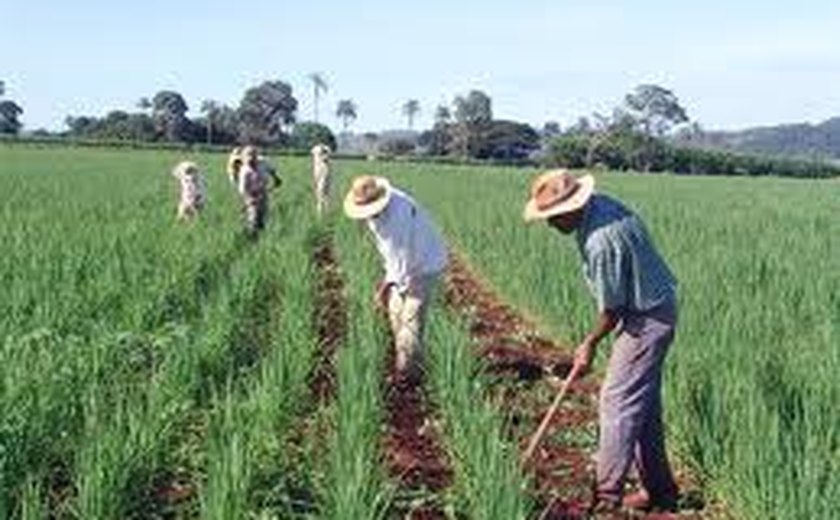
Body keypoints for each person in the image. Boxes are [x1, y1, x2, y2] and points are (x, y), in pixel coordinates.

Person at [523, 170, 680, 514]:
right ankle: (660, 490)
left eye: (553, 217)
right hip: (652, 306)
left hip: (647, 318)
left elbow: (612, 311)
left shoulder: (601, 241)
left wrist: (589, 344)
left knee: (617, 402)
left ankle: (605, 498)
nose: (550, 225)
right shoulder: (600, 206)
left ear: (571, 208)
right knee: (643, 407)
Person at [343, 175, 448, 383]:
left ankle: (406, 374)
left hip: (425, 263)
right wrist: (387, 286)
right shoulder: (377, 213)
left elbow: (401, 263)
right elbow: (390, 256)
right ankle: (412, 357)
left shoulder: (396, 218)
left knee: (410, 318)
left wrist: (387, 288)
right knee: (394, 313)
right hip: (405, 262)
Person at [237, 146, 280, 237]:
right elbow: (242, 190)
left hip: (263, 193)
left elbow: (271, 170)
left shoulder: (263, 162)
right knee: (253, 218)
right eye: (249, 161)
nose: (252, 163)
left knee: (263, 217)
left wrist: (276, 178)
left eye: (253, 159)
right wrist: (249, 200)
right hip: (251, 195)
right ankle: (252, 238)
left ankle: (261, 237)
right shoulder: (244, 171)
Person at [311, 142, 332, 216]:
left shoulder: (325, 154)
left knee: (323, 196)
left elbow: (327, 154)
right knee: (320, 196)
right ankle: (322, 214)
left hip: (324, 176)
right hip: (319, 175)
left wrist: (323, 149)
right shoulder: (316, 153)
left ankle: (324, 214)